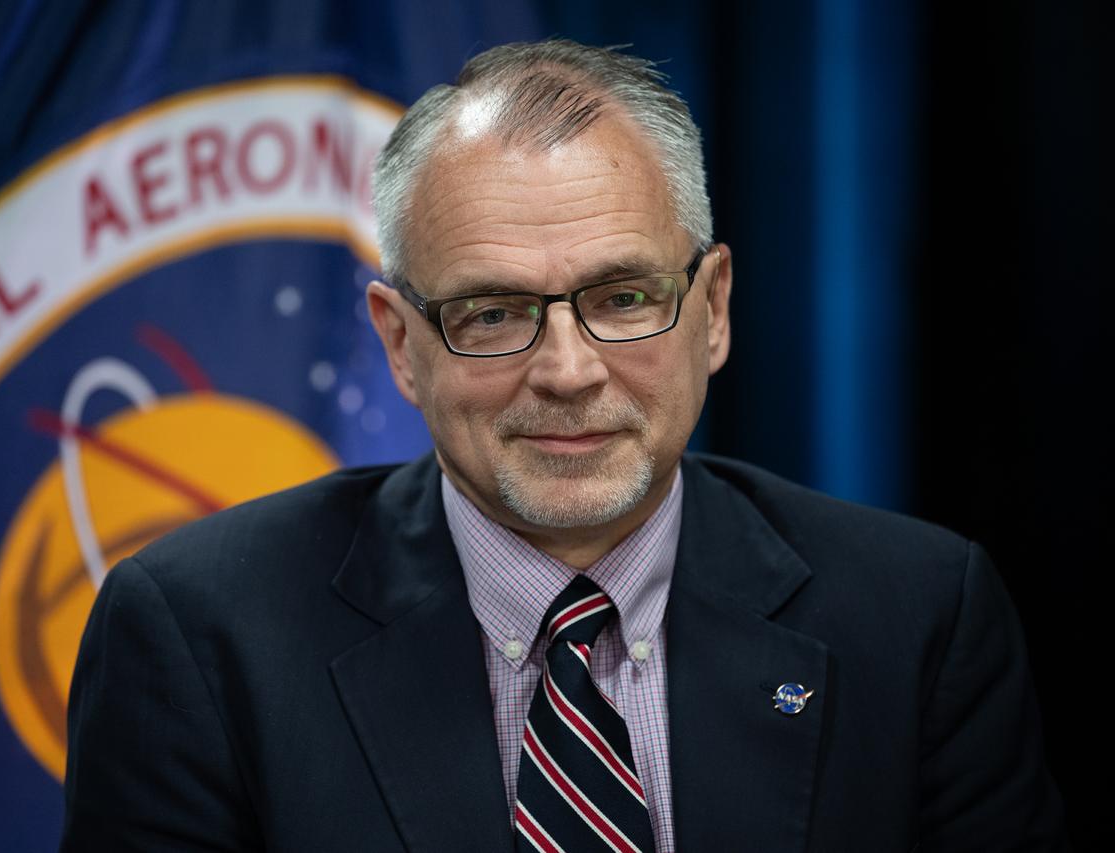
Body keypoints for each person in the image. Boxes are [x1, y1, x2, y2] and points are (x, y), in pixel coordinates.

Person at [60, 40, 1066, 852]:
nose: (567, 370)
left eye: (622, 298)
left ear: (710, 309)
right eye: (493, 313)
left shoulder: (918, 616)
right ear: (400, 345)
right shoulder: (201, 636)